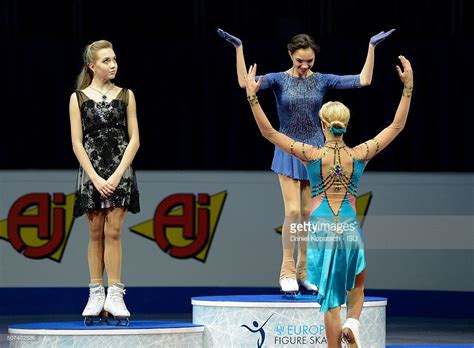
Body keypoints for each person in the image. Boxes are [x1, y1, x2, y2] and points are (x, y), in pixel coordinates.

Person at [244, 57, 413, 347]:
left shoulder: (311, 154)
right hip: (348, 226)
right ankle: (353, 322)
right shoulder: (360, 153)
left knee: (330, 300)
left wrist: (252, 97)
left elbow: (269, 132)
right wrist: (408, 88)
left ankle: (337, 340)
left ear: (323, 124)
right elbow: (396, 126)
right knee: (357, 287)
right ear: (345, 126)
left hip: (321, 229)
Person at [218, 28, 395, 293]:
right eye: (299, 60)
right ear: (290, 55)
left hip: (316, 153)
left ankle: (305, 271)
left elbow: (363, 80)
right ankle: (287, 270)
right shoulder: (278, 79)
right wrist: (239, 48)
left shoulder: (322, 80)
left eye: (309, 61)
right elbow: (246, 83)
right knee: (292, 212)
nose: (304, 66)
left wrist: (371, 47)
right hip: (289, 150)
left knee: (309, 215)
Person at [69, 40, 140, 322]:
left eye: (114, 59)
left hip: (120, 171)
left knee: (114, 231)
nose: (113, 64)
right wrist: (97, 178)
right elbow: (76, 142)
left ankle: (116, 293)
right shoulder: (78, 97)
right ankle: (96, 291)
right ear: (92, 66)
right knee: (95, 232)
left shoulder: (126, 95)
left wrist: (116, 174)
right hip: (91, 173)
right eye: (106, 61)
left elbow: (134, 139)